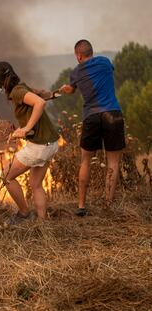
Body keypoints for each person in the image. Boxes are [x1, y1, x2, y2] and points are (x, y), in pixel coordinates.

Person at [59, 39, 125, 216]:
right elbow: (107, 74)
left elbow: (71, 90)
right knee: (113, 161)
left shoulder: (76, 72)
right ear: (91, 52)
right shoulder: (105, 62)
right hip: (112, 114)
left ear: (78, 55)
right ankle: (107, 205)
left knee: (85, 160)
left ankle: (81, 206)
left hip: (92, 116)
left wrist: (66, 88)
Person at [0, 61, 59, 222]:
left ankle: (24, 213)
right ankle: (42, 224)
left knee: (6, 175)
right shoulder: (23, 87)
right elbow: (41, 96)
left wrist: (26, 128)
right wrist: (55, 94)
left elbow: (39, 103)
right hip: (51, 144)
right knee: (35, 184)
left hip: (39, 146)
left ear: (1, 83)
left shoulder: (17, 91)